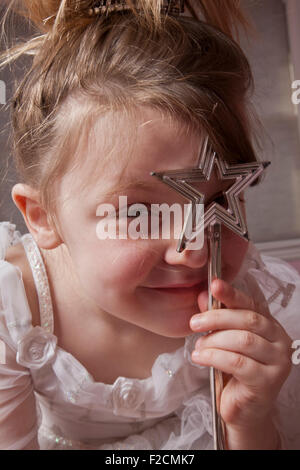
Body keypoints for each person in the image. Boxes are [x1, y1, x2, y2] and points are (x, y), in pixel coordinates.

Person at [0, 0, 299, 450]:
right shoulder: (14, 312)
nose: (195, 249)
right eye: (136, 213)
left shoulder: (245, 301)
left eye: (219, 200)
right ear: (43, 217)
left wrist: (248, 419)